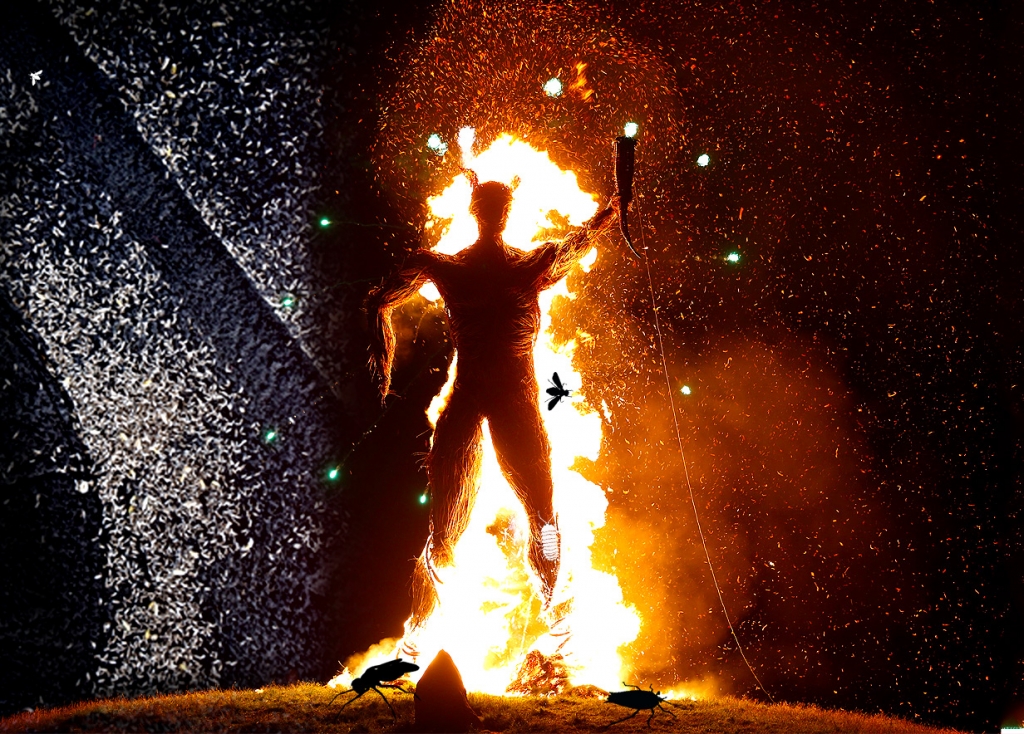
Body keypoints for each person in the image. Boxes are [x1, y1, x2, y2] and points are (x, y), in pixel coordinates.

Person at [366, 178, 620, 627]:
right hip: (493, 398)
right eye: (495, 207)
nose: (494, 214)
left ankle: (554, 622)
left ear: (478, 212)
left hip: (495, 398)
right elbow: (379, 301)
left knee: (530, 513)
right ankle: (429, 631)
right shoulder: (519, 265)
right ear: (500, 214)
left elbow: (380, 299)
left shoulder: (481, 265)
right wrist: (609, 213)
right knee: (513, 515)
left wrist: (609, 213)